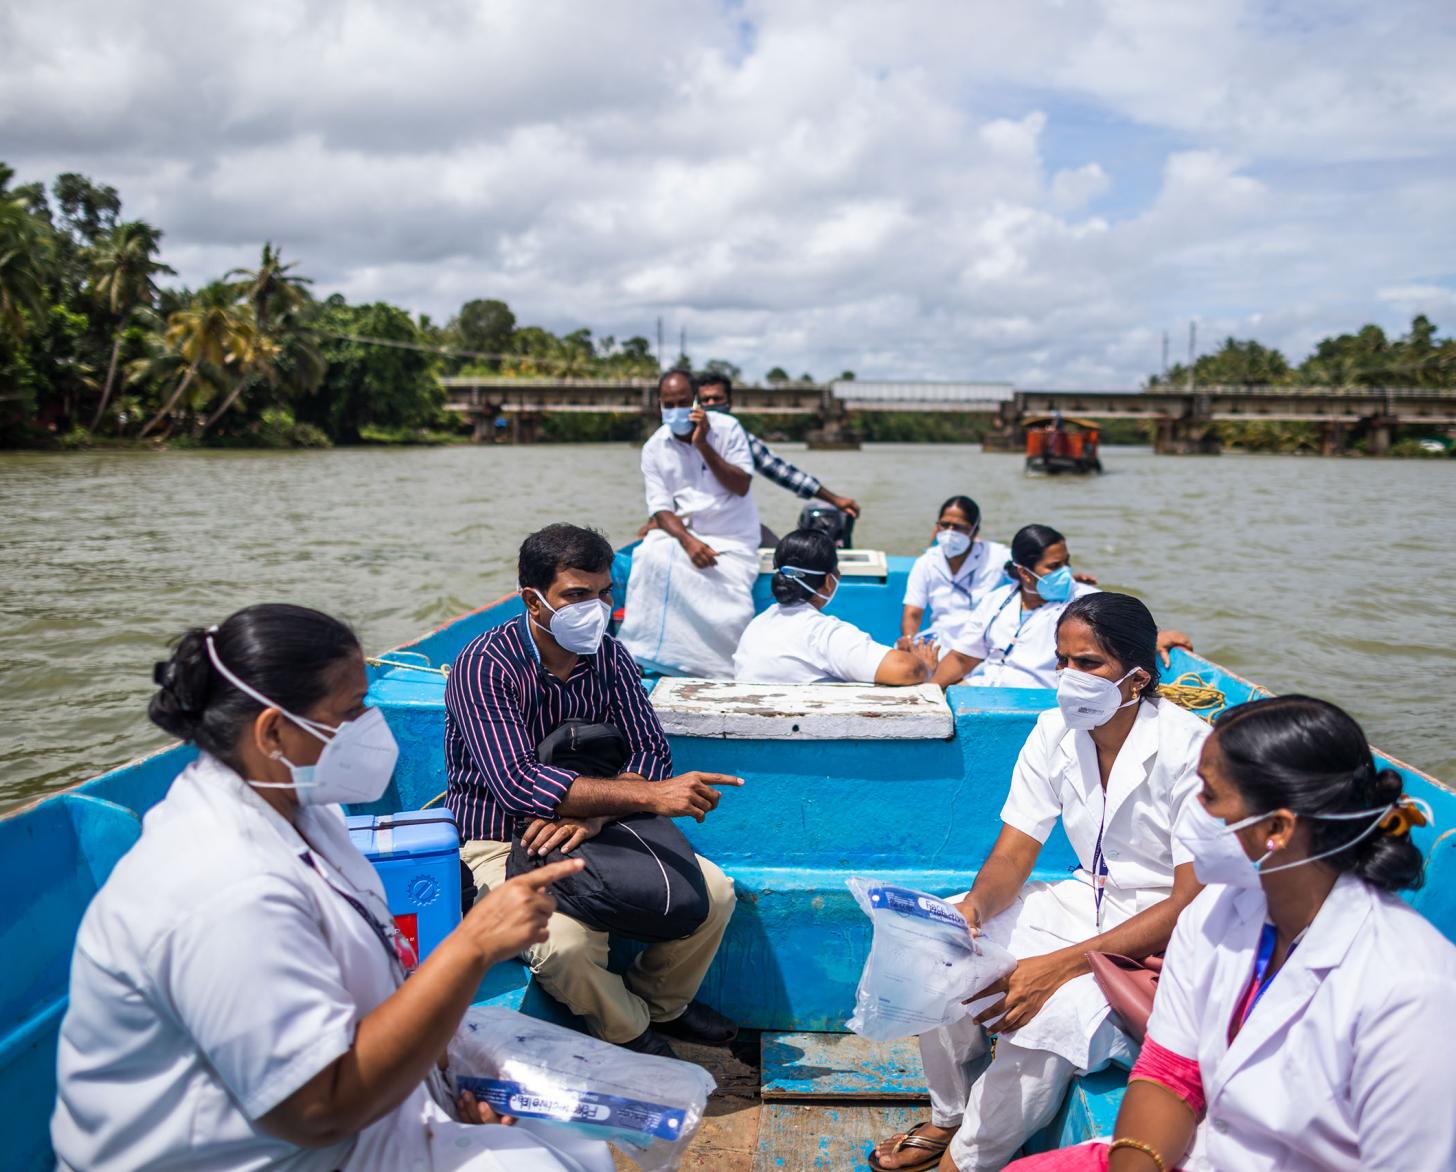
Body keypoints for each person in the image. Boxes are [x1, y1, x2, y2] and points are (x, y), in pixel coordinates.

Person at [51, 603, 609, 1172]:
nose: (372, 724)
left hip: (347, 1123)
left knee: (577, 1144)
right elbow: (315, 1108)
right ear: (271, 733)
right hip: (269, 1149)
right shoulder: (223, 890)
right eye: (352, 710)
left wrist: (443, 1083)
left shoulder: (307, 814)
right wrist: (472, 946)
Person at [1006, 695, 1456, 1172]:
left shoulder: (1413, 990)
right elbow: (1169, 1073)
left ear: (1277, 828)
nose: (1192, 813)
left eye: (1210, 796)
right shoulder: (1217, 910)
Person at [871, 593, 1210, 1172]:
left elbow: (1186, 903)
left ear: (1137, 678)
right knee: (936, 944)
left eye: (1089, 664)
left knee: (1052, 1017)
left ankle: (969, 1159)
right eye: (1062, 661)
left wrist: (1057, 967)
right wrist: (972, 911)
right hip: (1086, 902)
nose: (1068, 677)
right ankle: (950, 1114)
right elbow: (1013, 855)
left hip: (1161, 935)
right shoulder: (1053, 732)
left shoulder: (1190, 749)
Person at [447, 523, 742, 1060]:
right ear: (532, 601)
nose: (597, 608)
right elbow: (519, 785)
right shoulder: (483, 666)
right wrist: (650, 797)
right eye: (577, 596)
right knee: (566, 946)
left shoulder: (610, 656)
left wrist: (597, 817)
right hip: (503, 835)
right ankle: (630, 1031)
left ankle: (662, 1007)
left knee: (716, 895)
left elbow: (651, 753)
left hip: (603, 823)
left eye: (605, 593)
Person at [617, 369, 762, 677]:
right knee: (650, 554)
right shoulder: (654, 448)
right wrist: (688, 541)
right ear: (659, 404)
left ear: (697, 402)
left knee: (730, 608)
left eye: (682, 402)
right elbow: (660, 508)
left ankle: (718, 667)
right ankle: (648, 655)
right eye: (668, 404)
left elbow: (741, 485)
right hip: (689, 535)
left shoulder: (728, 430)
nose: (675, 410)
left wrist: (703, 444)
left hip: (734, 538)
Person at [931, 525, 1191, 689]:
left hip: (1038, 701)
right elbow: (962, 658)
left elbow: (1124, 629)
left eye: (1066, 562)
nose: (1065, 572)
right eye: (1054, 567)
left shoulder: (1085, 601)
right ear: (1024, 572)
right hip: (984, 689)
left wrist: (1156, 637)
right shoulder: (997, 600)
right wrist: (930, 691)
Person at [733, 528, 938, 685]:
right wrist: (925, 667)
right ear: (829, 581)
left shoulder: (757, 625)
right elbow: (906, 670)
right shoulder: (820, 633)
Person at [696, 372, 861, 521]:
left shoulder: (740, 438)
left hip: (732, 523)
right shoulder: (681, 437)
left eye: (717, 399)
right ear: (697, 404)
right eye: (706, 400)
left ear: (729, 402)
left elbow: (782, 472)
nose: (711, 404)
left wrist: (835, 500)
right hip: (694, 523)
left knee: (784, 550)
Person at [899, 496, 1012, 649]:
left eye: (958, 527)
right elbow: (913, 612)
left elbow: (1030, 566)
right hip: (940, 639)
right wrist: (909, 640)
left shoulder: (997, 556)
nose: (950, 532)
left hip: (984, 640)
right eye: (945, 525)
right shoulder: (926, 562)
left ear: (974, 531)